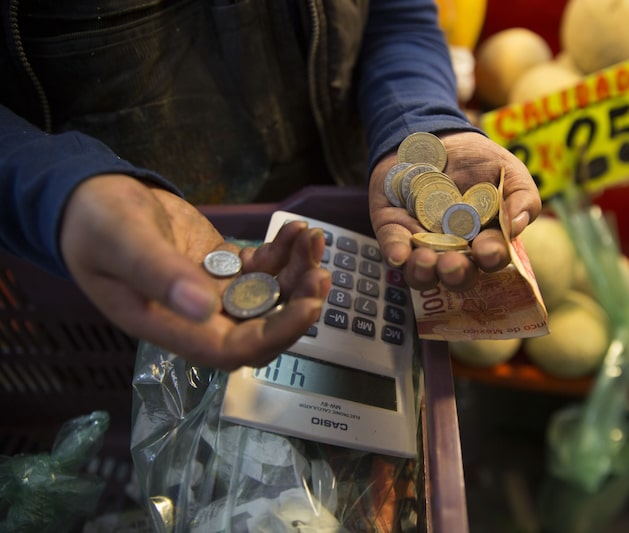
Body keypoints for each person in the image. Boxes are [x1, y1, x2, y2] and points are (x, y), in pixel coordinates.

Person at [0, 0, 541, 371]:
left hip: (353, 230)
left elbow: (396, 17)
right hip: (91, 287)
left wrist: (420, 122)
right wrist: (60, 190)